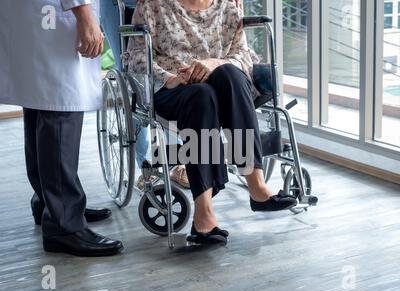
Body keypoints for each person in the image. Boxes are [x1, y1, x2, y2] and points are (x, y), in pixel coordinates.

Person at [127, 0, 297, 245]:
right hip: (174, 88)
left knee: (230, 74)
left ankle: (256, 185)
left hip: (223, 86)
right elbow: (136, 58)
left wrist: (213, 63)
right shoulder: (154, 6)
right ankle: (203, 211)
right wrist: (169, 78)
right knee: (201, 95)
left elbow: (242, 56)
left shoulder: (227, 7)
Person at [0, 0, 123, 256]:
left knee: (40, 102)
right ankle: (64, 223)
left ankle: (49, 202)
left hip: (33, 15)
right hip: (54, 15)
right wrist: (83, 13)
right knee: (60, 106)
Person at [100, 0, 190, 190]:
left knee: (172, 67)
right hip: (120, 5)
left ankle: (178, 161)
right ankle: (146, 165)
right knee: (133, 77)